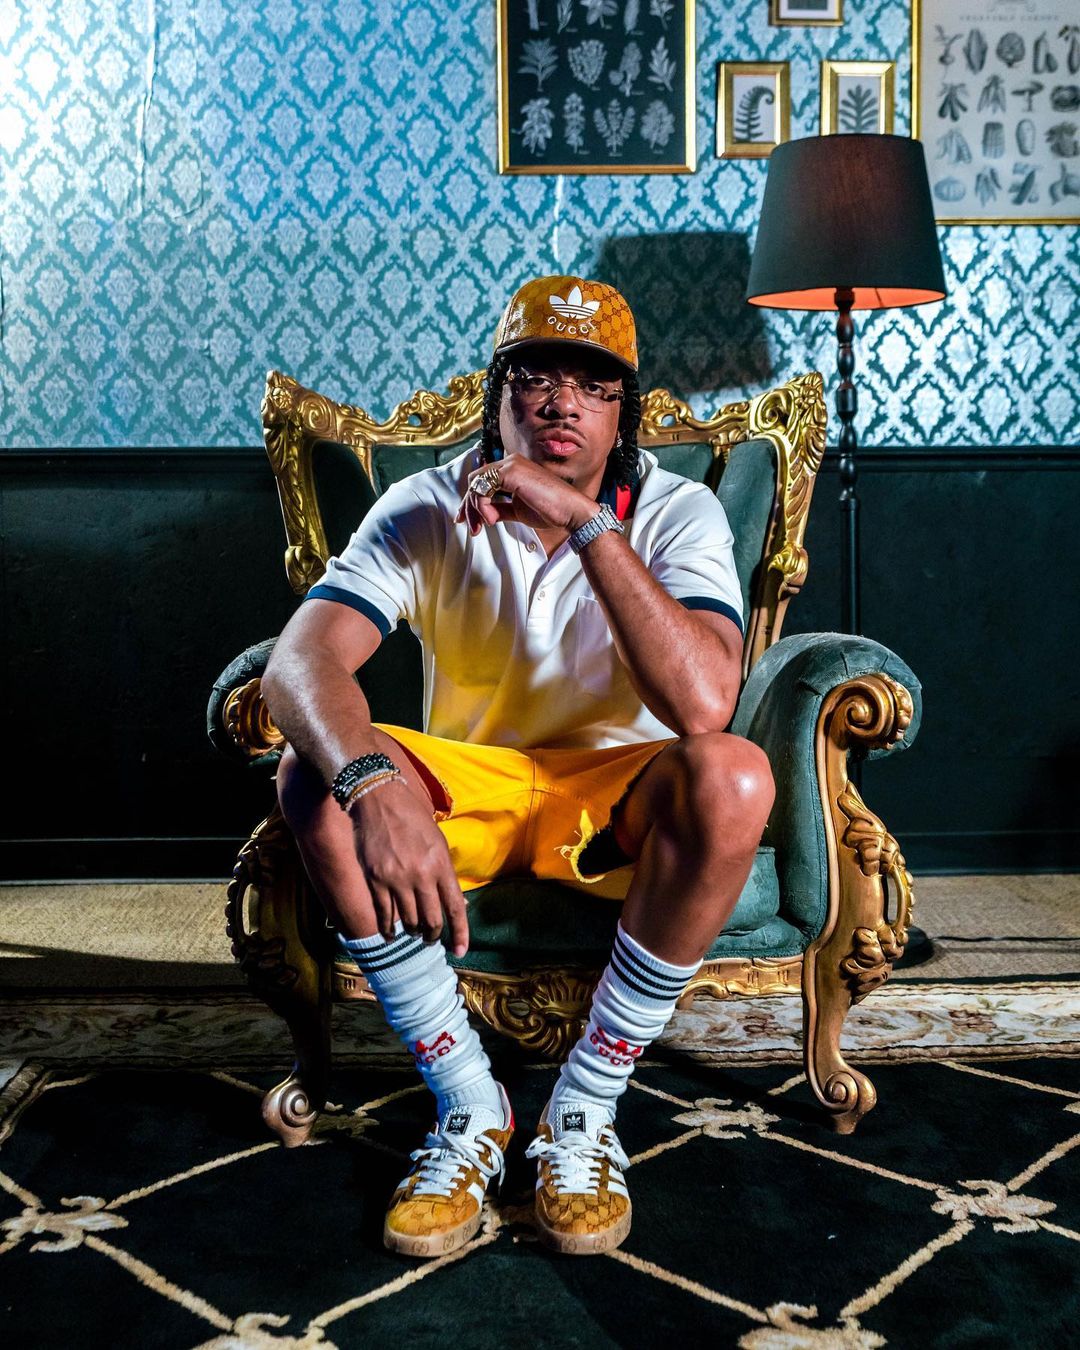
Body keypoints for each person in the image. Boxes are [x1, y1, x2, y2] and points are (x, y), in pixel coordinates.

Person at [260, 275, 774, 1259]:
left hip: (615, 799)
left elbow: (705, 704)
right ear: (497, 396)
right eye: (536, 377)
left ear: (623, 412)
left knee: (734, 772)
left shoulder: (681, 511)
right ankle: (467, 1100)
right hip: (475, 790)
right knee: (312, 773)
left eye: (593, 385)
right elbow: (299, 663)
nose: (561, 403)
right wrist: (371, 785)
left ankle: (583, 1108)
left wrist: (586, 524)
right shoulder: (425, 503)